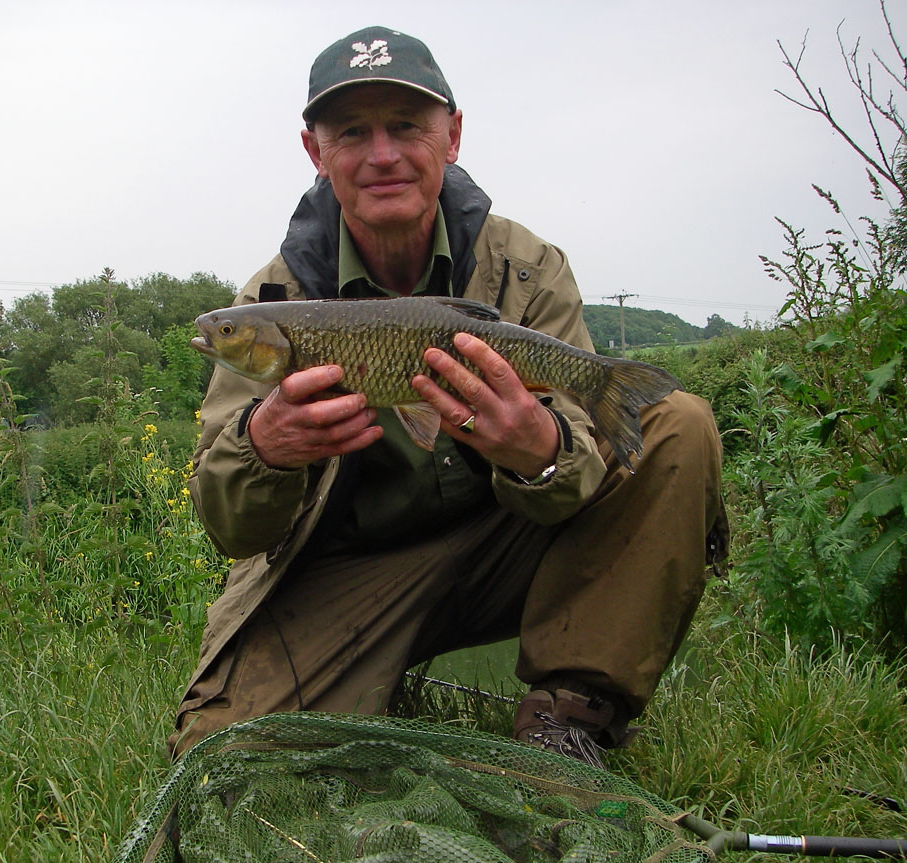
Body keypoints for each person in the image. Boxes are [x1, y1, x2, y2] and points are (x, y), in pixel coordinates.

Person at [169, 26, 727, 767]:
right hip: (351, 569)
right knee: (224, 757)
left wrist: (541, 453)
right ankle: (364, 676)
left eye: (406, 127)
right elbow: (230, 528)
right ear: (315, 151)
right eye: (352, 132)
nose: (383, 155)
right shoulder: (275, 300)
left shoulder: (525, 267)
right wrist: (265, 449)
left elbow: (583, 466)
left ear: (452, 134)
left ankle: (572, 715)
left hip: (509, 538)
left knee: (677, 424)